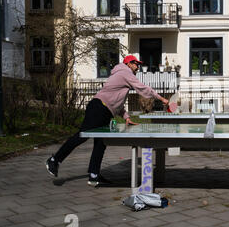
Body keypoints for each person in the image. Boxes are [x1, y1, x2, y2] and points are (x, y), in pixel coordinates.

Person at [45, 55, 170, 187]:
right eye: (135, 64)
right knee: (82, 136)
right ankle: (54, 160)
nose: (137, 67)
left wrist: (126, 117)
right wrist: (161, 99)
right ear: (128, 64)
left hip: (105, 110)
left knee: (101, 143)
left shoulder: (122, 76)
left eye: (138, 64)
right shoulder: (124, 73)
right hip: (98, 108)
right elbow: (143, 89)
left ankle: (94, 175)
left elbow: (117, 103)